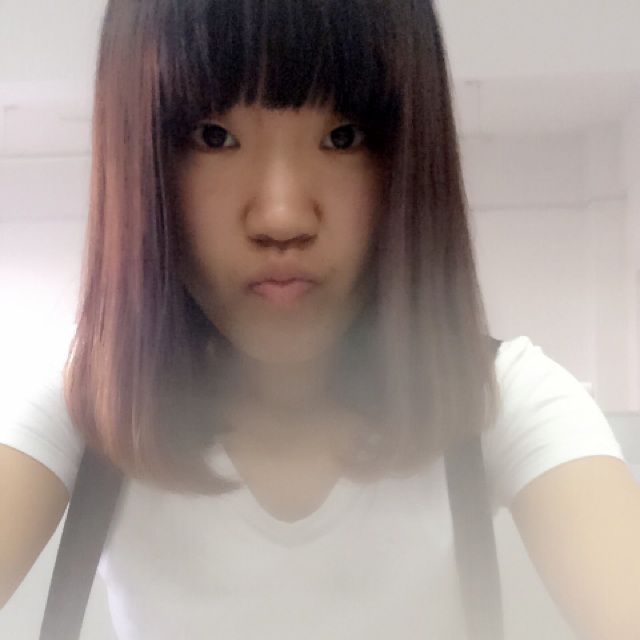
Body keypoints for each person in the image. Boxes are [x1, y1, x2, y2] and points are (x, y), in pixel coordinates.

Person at [1, 1, 639, 638]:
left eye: (343, 137)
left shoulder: (504, 397)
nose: (281, 218)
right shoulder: (85, 399)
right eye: (214, 136)